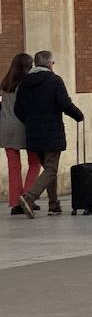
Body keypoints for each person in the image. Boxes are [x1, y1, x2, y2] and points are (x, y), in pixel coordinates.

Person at [12, 51, 83, 218]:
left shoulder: (25, 83)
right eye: (53, 63)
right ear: (50, 64)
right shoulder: (54, 80)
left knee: (48, 169)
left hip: (33, 133)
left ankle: (54, 205)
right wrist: (78, 115)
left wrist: (30, 122)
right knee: (51, 169)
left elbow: (18, 109)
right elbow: (65, 103)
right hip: (52, 133)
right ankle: (28, 197)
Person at [2, 53, 42, 216]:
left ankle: (14, 202)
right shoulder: (27, 84)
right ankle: (27, 198)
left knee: (14, 167)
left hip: (5, 127)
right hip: (24, 127)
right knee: (35, 162)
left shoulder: (5, 83)